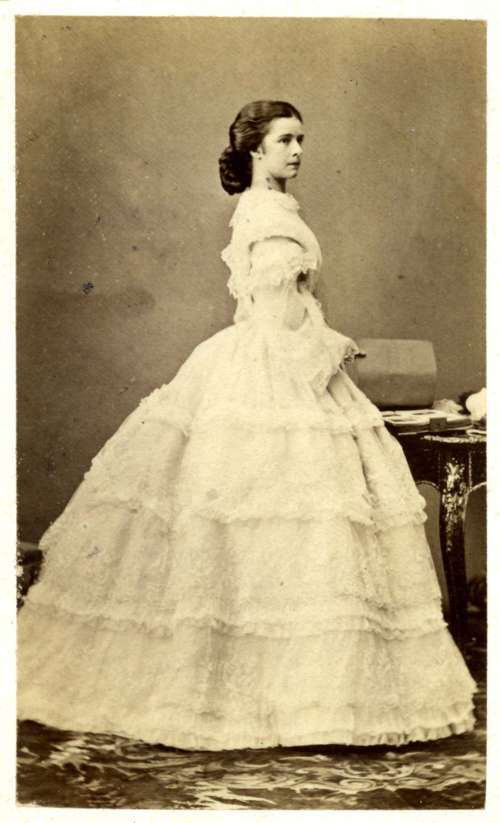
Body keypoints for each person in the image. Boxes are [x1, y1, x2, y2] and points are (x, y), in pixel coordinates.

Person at [17, 100, 476, 750]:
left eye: (302, 139)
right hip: (275, 365)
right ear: (256, 149)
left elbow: (271, 307)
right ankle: (297, 698)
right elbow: (283, 316)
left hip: (256, 357)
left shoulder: (264, 209)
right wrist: (334, 345)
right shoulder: (268, 214)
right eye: (286, 140)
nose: (298, 151)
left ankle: (283, 690)